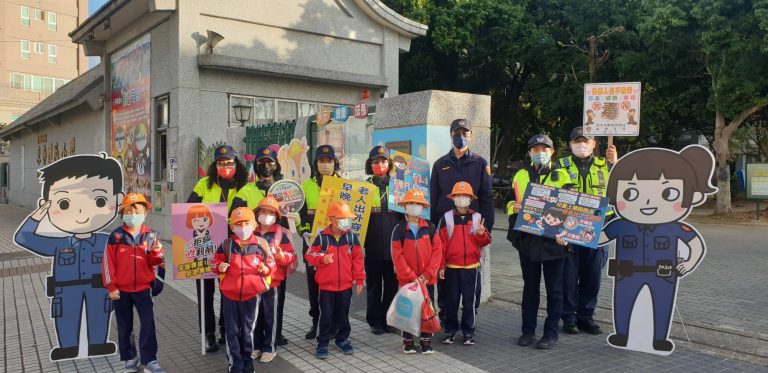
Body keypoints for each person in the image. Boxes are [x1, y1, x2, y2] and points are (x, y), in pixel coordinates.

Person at [601, 145, 716, 352]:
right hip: (626, 273)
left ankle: (659, 338)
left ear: (693, 196)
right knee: (623, 302)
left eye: (669, 193)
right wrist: (573, 229)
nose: (646, 202)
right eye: (631, 192)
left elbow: (695, 244)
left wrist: (688, 263)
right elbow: (599, 237)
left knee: (663, 304)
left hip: (663, 274)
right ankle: (622, 334)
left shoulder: (675, 227)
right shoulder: (620, 225)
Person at [13, 153, 122, 361]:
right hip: (66, 287)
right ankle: (68, 347)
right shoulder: (59, 242)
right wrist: (36, 216)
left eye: (99, 200)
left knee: (100, 313)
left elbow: (125, 254)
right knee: (65, 315)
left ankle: (98, 344)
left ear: (116, 200)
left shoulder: (107, 240)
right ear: (48, 204)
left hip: (98, 287)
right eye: (64, 204)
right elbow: (24, 238)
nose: (82, 211)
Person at [507, 134, 573, 349]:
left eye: (544, 149)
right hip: (528, 241)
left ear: (552, 151)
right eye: (535, 149)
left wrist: (568, 236)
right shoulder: (521, 174)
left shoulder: (562, 175)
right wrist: (513, 208)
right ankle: (528, 331)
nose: (539, 153)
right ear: (529, 153)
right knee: (530, 288)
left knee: (555, 290)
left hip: (554, 242)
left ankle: (551, 333)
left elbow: (572, 208)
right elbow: (509, 201)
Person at [430, 119, 494, 321]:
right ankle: (446, 314)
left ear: (471, 135)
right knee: (445, 274)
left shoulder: (480, 163)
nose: (461, 136)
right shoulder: (440, 164)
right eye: (457, 132)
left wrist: (486, 228)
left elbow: (486, 197)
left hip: (471, 230)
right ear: (451, 135)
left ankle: (470, 315)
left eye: (465, 133)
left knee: (471, 277)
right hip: (445, 230)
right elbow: (434, 196)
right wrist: (434, 227)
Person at [187, 144, 249, 351]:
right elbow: (188, 210)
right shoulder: (204, 184)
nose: (225, 166)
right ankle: (208, 334)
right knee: (205, 292)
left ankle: (225, 328)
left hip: (231, 246)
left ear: (236, 163)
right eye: (221, 162)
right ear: (214, 165)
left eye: (229, 162)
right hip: (205, 245)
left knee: (228, 291)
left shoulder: (243, 185)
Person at [559, 127, 618, 335]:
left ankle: (586, 316)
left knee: (592, 276)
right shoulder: (560, 167)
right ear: (570, 144)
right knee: (568, 276)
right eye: (577, 141)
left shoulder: (607, 165)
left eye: (586, 141)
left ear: (594, 144)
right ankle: (568, 317)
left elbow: (624, 186)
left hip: (598, 230)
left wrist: (615, 163)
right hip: (570, 230)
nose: (581, 145)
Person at [231, 145, 291, 345]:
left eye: (270, 162)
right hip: (253, 250)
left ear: (276, 165)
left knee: (277, 296)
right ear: (256, 166)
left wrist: (299, 225)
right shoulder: (246, 190)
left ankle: (276, 335)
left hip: (277, 245)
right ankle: (256, 338)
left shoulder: (285, 188)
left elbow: (295, 215)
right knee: (256, 294)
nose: (266, 166)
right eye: (261, 163)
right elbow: (234, 218)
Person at [103, 193, 166, 373]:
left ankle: (150, 360)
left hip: (143, 289)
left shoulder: (152, 236)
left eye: (137, 210)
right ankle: (130, 359)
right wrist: (111, 286)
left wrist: (157, 252)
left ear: (145, 213)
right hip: (121, 291)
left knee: (148, 325)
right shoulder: (115, 236)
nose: (133, 214)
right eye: (128, 211)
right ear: (123, 213)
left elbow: (157, 263)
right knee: (124, 327)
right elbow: (108, 263)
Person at [211, 207, 275, 373]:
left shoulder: (261, 244)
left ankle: (248, 363)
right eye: (238, 224)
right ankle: (235, 365)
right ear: (232, 227)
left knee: (247, 333)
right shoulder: (226, 244)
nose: (243, 227)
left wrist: (265, 269)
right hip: (229, 296)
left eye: (246, 223)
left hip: (252, 296)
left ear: (254, 224)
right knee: (232, 332)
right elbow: (213, 263)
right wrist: (220, 266)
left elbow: (272, 264)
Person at [305, 201, 365, 360]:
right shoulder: (322, 238)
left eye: (348, 219)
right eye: (342, 219)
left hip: (345, 286)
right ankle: (322, 342)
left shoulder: (352, 238)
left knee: (343, 315)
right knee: (326, 315)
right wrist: (322, 259)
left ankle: (342, 339)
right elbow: (310, 255)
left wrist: (359, 280)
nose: (346, 222)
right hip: (326, 287)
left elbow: (358, 260)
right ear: (332, 219)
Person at [437, 182, 491, 346]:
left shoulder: (477, 218)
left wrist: (482, 234)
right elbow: (440, 245)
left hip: (471, 269)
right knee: (450, 302)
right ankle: (450, 331)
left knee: (469, 302)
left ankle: (469, 332)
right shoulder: (446, 218)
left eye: (466, 196)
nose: (462, 199)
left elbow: (485, 241)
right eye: (459, 196)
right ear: (453, 198)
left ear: (470, 199)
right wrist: (441, 266)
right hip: (452, 268)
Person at [391, 189, 442, 354]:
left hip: (427, 280)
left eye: (418, 204)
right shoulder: (398, 229)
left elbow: (437, 252)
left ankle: (426, 340)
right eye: (411, 203)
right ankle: (408, 340)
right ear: (405, 206)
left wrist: (427, 275)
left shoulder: (430, 227)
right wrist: (411, 276)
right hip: (408, 281)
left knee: (427, 308)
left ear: (423, 207)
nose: (415, 207)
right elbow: (397, 257)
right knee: (408, 309)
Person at [298, 144, 341, 339]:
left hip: (338, 244)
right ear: (316, 163)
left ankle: (337, 324)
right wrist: (304, 232)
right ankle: (316, 322)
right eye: (322, 161)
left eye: (329, 160)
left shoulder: (344, 185)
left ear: (335, 162)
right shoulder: (306, 186)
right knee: (314, 285)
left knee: (337, 286)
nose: (326, 164)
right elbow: (300, 215)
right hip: (313, 244)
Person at [363, 145, 402, 335]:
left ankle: (389, 319)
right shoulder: (363, 188)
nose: (380, 164)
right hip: (372, 246)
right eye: (376, 161)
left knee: (392, 286)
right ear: (370, 165)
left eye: (383, 161)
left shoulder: (399, 186)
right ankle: (374, 321)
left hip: (394, 248)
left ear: (390, 164)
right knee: (373, 286)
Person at [252, 196, 296, 363]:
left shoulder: (281, 233)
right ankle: (256, 346)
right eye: (263, 211)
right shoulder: (250, 230)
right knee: (255, 316)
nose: (266, 215)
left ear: (276, 215)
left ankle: (270, 347)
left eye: (270, 212)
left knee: (271, 316)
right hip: (253, 283)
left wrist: (282, 256)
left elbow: (291, 255)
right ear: (257, 213)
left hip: (273, 282)